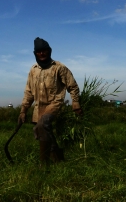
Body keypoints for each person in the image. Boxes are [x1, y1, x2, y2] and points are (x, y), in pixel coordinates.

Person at [18, 37, 82, 166]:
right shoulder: (33, 70)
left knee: (42, 125)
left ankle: (44, 165)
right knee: (44, 132)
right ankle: (59, 160)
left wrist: (75, 102)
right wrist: (23, 111)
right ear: (35, 54)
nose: (41, 54)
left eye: (44, 51)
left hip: (54, 104)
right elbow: (29, 92)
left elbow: (72, 86)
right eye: (38, 52)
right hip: (39, 107)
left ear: (49, 51)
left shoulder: (59, 67)